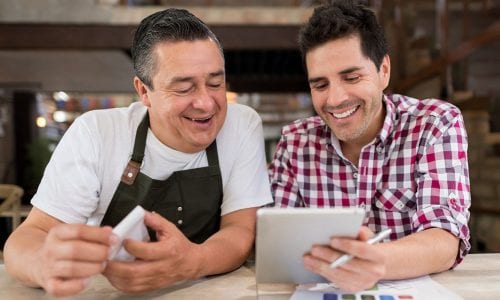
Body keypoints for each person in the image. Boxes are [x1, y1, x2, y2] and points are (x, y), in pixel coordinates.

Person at [4, 8, 273, 297]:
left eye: (215, 83)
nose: (207, 104)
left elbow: (239, 231)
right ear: (144, 91)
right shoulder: (96, 133)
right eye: (184, 89)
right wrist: (44, 264)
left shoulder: (241, 125)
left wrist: (191, 262)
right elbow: (29, 237)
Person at [268, 0, 471, 292]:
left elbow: (444, 239)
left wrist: (376, 262)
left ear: (383, 71)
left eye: (351, 77)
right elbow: (279, 250)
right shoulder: (295, 143)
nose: (335, 99)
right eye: (320, 85)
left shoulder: (435, 124)